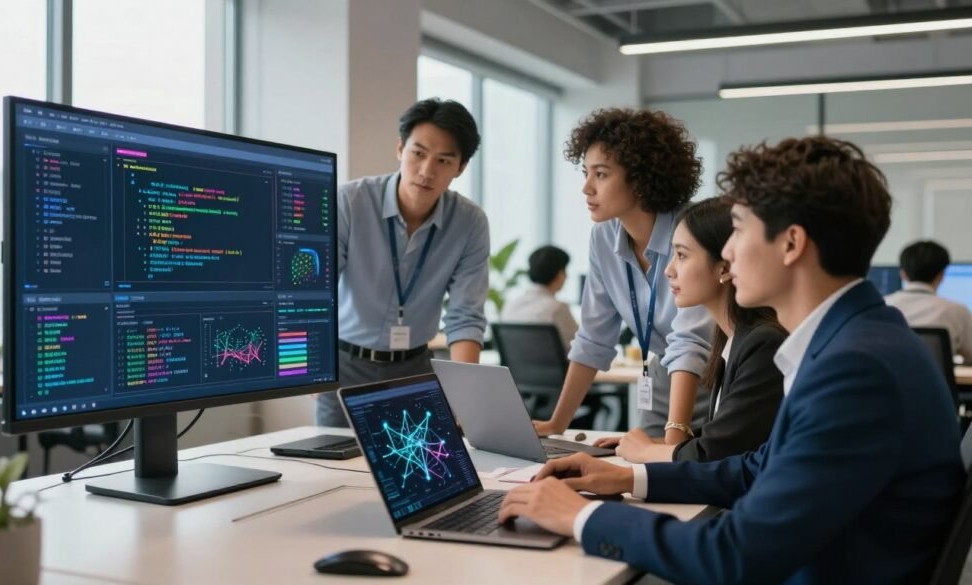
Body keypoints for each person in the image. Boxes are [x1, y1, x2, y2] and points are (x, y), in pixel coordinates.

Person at [498, 136, 964, 584]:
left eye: (738, 229)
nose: (725, 251)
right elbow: (758, 468)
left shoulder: (856, 370)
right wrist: (629, 476)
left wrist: (581, 516)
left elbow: (736, 556)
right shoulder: (855, 339)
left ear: (791, 243)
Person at [533, 108, 714, 442]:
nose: (587, 188)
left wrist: (672, 444)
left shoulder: (692, 229)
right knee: (643, 478)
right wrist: (557, 424)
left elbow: (691, 342)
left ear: (642, 178)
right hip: (661, 376)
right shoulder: (604, 237)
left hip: (717, 378)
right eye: (586, 173)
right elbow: (593, 338)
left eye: (600, 174)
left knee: (690, 475)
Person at [319, 98, 490, 427]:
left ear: (461, 167)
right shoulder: (349, 203)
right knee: (328, 471)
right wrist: (313, 367)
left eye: (444, 160)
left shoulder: (470, 223)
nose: (427, 171)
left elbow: (465, 315)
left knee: (416, 471)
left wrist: (464, 396)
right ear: (400, 148)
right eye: (419, 153)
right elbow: (317, 293)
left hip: (415, 369)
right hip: (344, 365)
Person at [594, 197, 786, 463]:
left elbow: (719, 455)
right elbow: (726, 437)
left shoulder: (763, 343)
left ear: (725, 266)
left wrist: (648, 452)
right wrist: (656, 444)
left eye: (682, 255)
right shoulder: (730, 337)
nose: (668, 271)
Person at [885, 240, 972, 362]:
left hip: (887, 380)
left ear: (903, 274)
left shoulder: (882, 306)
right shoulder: (957, 311)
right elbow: (970, 355)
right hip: (936, 381)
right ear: (941, 275)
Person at [500, 245, 579, 350]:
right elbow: (580, 349)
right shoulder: (558, 308)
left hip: (515, 367)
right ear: (560, 274)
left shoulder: (510, 305)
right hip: (554, 366)